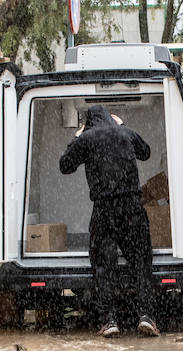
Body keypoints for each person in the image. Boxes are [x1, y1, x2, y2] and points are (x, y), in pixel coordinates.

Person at [59, 105, 160, 338]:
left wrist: (78, 136)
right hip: (133, 207)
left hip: (104, 209)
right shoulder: (125, 133)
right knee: (141, 262)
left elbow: (65, 166)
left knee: (104, 266)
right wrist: (122, 126)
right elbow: (146, 152)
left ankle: (109, 320)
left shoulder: (87, 138)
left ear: (89, 123)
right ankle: (147, 316)